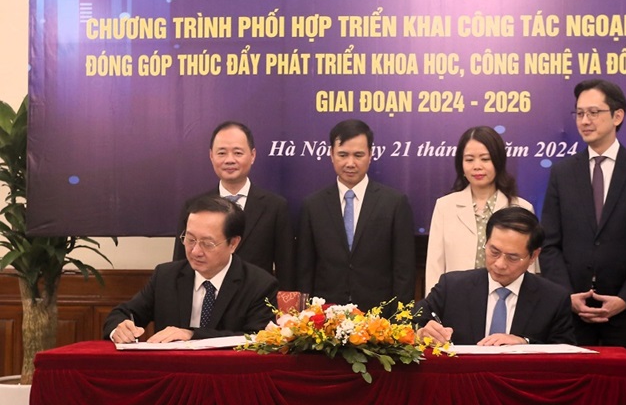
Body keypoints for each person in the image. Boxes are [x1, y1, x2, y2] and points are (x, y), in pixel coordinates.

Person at [539, 79, 626, 372]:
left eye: (594, 112)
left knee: (623, 393)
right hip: (572, 317)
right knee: (571, 392)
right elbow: (550, 245)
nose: (585, 120)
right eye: (580, 113)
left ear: (617, 116)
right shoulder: (562, 173)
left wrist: (624, 300)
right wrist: (566, 296)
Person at [106, 195, 278, 343]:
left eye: (207, 243)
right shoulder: (165, 276)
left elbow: (256, 338)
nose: (195, 251)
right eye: (190, 239)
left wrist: (193, 335)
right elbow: (123, 313)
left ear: (233, 243)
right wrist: (120, 329)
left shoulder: (259, 285)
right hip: (171, 369)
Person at [296, 119, 416, 312]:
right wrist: (306, 315)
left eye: (358, 155)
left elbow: (404, 271)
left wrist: (400, 318)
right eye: (343, 155)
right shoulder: (313, 206)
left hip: (380, 317)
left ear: (370, 155)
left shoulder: (394, 203)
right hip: (325, 317)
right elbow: (305, 270)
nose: (350, 163)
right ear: (331, 155)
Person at [416, 207, 575, 346]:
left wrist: (525, 343)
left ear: (533, 256)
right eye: (494, 252)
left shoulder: (554, 299)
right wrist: (421, 333)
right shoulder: (452, 287)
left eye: (512, 257)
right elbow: (409, 323)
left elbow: (566, 353)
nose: (499, 264)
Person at [172, 121, 295, 289]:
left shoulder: (275, 207)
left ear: (252, 155)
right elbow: (180, 267)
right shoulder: (193, 207)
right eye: (222, 153)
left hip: (256, 298)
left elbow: (286, 269)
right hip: (207, 298)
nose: (229, 160)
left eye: (237, 153)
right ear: (211, 156)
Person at [425, 126, 535, 295]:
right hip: (457, 300)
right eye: (469, 160)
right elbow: (435, 266)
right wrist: (434, 306)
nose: (477, 166)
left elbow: (529, 271)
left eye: (485, 159)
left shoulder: (522, 208)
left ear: (498, 161)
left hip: (506, 303)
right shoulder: (445, 207)